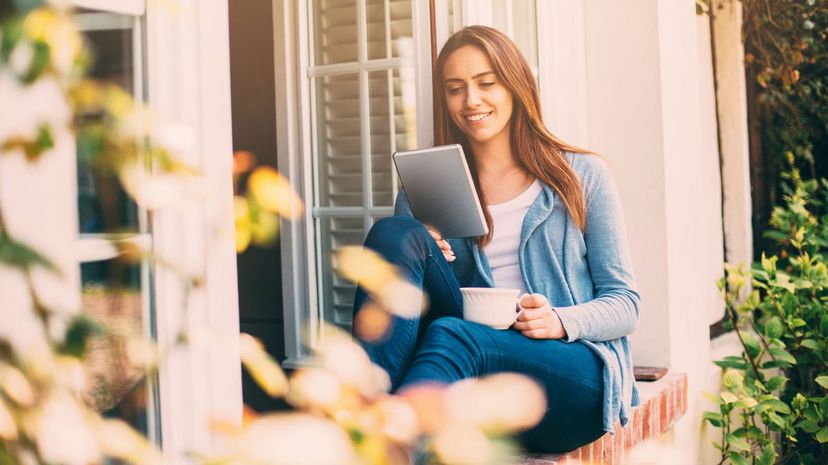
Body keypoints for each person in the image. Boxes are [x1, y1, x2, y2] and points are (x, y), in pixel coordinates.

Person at [352, 25, 639, 453]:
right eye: (455, 88)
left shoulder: (581, 177)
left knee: (454, 334)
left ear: (516, 85)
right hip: (469, 368)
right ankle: (367, 408)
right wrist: (431, 254)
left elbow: (625, 303)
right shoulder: (426, 190)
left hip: (569, 379)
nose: (471, 101)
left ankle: (383, 447)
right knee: (397, 234)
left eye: (487, 83)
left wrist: (560, 320)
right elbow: (406, 321)